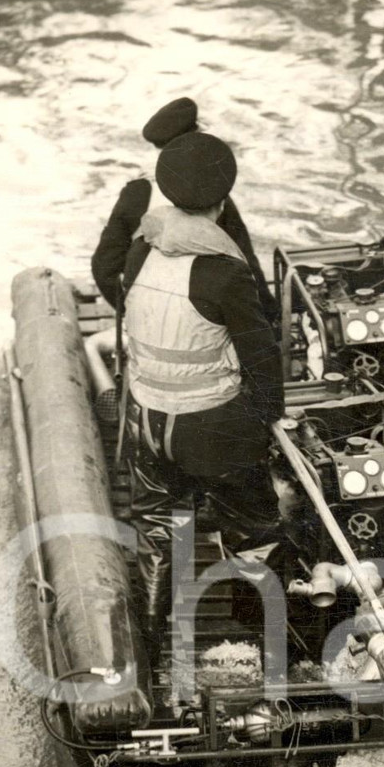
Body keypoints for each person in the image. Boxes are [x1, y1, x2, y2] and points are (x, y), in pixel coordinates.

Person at [121, 130, 283, 642]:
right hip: (211, 425)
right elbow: (261, 353)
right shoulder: (223, 272)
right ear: (220, 200)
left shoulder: (140, 250)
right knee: (254, 527)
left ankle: (151, 635)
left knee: (157, 527)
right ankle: (256, 638)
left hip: (146, 417)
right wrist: (268, 418)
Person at [91, 96, 276, 319]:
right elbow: (246, 264)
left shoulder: (137, 191)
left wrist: (132, 313)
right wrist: (272, 317)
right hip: (208, 318)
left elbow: (104, 267)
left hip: (151, 317)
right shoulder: (214, 190)